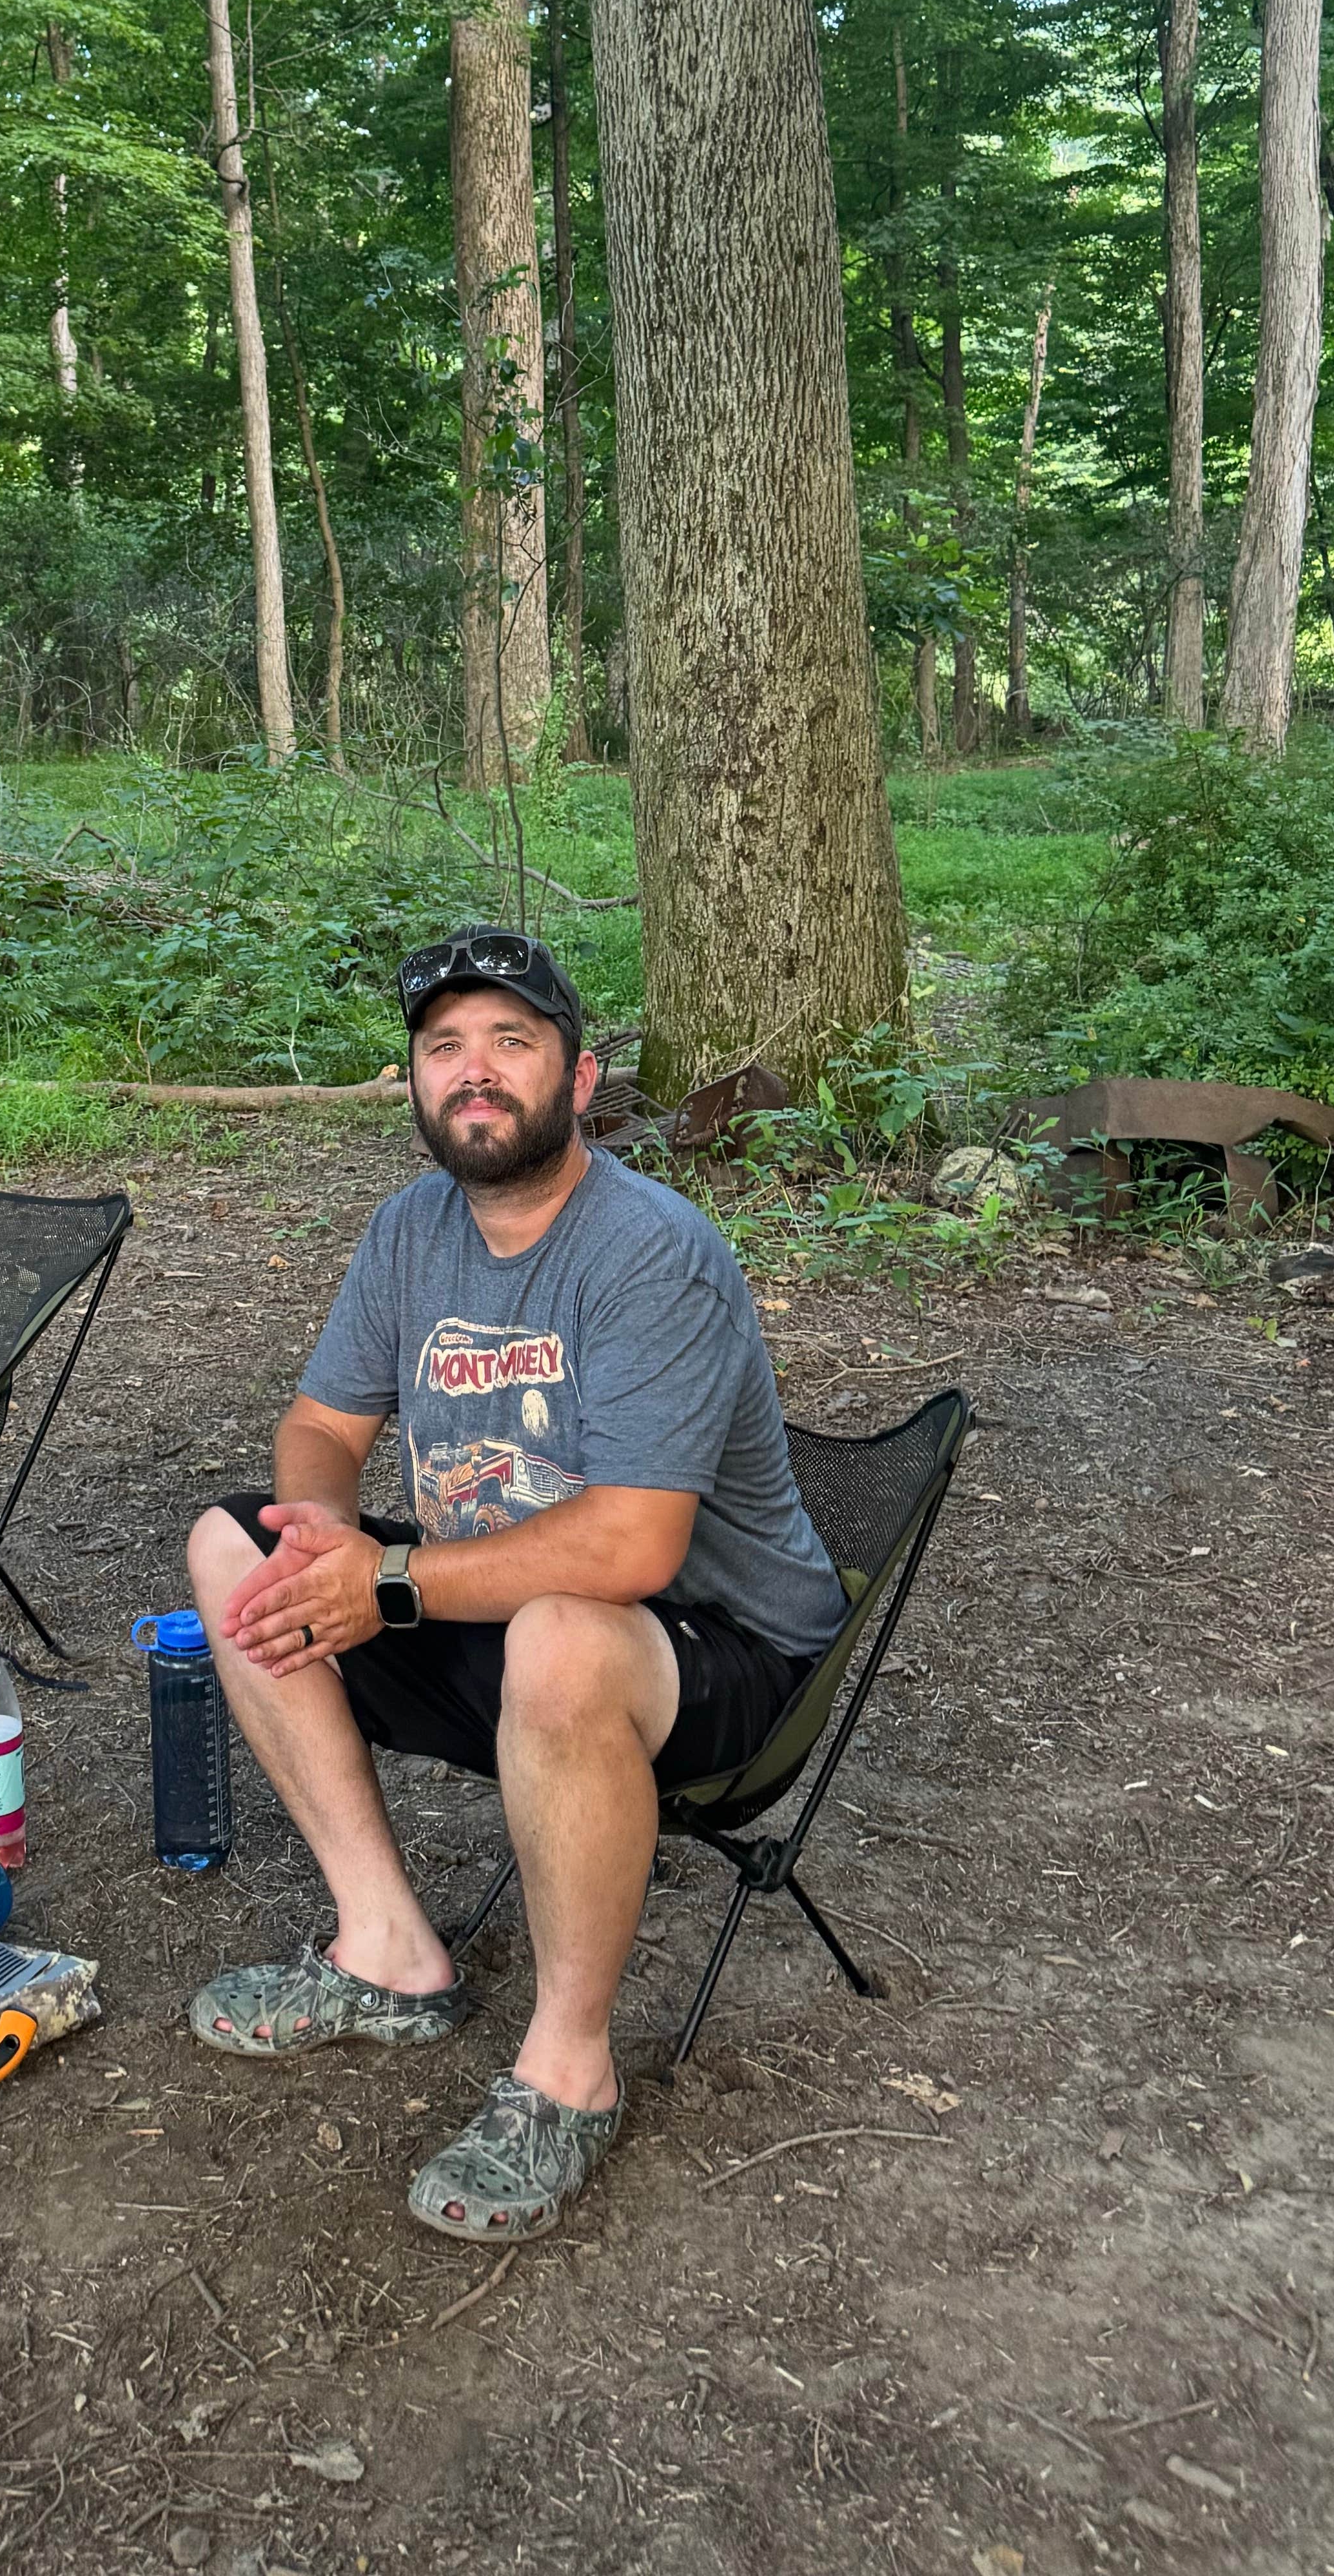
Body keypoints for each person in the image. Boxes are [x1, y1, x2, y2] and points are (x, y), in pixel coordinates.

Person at [182, 926, 847, 2243]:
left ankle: (570, 2070)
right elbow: (320, 1425)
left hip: (720, 1650)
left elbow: (633, 1552)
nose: (473, 1072)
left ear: (580, 1077)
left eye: (510, 1043)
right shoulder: (411, 1229)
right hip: (495, 1601)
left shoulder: (648, 1251)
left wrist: (390, 1585)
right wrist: (322, 1539)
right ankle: (387, 1951)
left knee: (560, 1635)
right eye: (444, 1049)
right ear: (417, 1085)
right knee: (232, 1549)